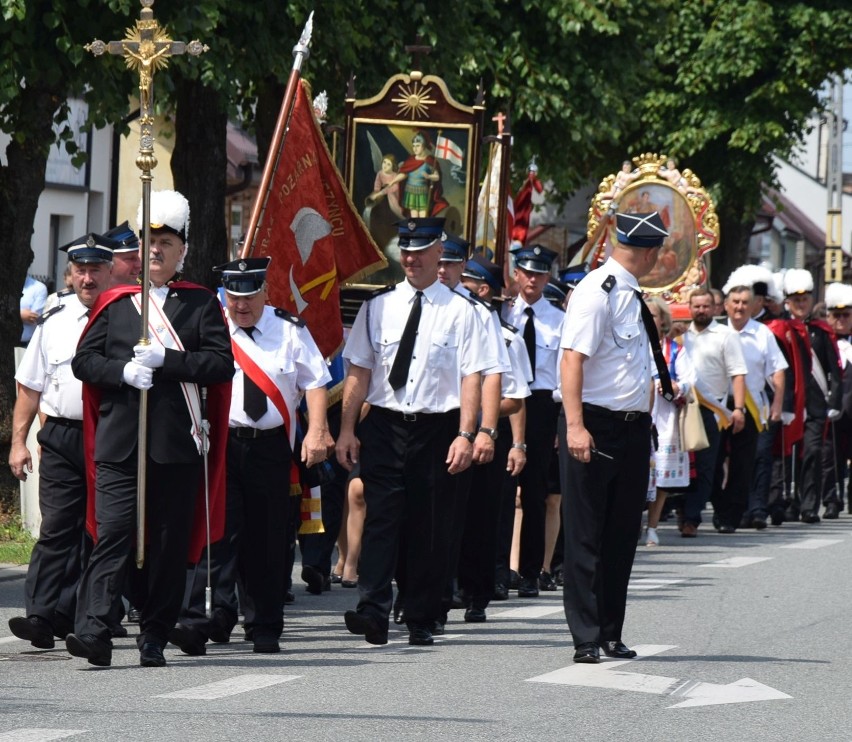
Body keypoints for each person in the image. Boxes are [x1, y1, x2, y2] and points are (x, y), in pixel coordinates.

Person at [66, 190, 234, 668]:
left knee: (165, 544)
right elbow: (85, 362)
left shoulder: (200, 305)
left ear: (183, 249)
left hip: (175, 447)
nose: (155, 249)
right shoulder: (117, 303)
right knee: (115, 533)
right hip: (122, 445)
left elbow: (221, 366)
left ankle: (155, 633)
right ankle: (93, 629)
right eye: (149, 240)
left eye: (166, 241)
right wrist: (121, 372)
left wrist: (169, 361)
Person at [336, 217, 491, 647]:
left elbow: (471, 377)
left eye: (421, 250)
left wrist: (466, 433)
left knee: (429, 524)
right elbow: (359, 372)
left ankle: (422, 613)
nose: (412, 258)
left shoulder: (463, 312)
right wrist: (347, 429)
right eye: (406, 250)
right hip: (385, 423)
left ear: (439, 252)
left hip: (437, 427)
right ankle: (373, 611)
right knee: (381, 518)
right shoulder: (378, 307)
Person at [169, 257, 332, 656]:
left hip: (271, 447)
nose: (241, 306)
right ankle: (210, 618)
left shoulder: (289, 330)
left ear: (265, 292)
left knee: (268, 537)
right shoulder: (211, 326)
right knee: (217, 534)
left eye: (249, 297)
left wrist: (317, 429)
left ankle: (263, 624)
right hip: (220, 442)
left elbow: (315, 381)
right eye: (234, 298)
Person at [560, 210, 671, 663]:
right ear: (647, 251)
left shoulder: (631, 294)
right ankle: (585, 636)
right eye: (658, 252)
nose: (658, 259)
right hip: (595, 423)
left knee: (622, 534)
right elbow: (571, 360)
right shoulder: (598, 292)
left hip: (631, 426)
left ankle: (610, 630)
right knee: (586, 533)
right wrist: (574, 426)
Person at [7, 233, 115, 648]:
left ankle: (86, 618)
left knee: (100, 531)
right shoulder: (53, 321)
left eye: (95, 270)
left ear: (110, 271)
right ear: (70, 274)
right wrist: (19, 442)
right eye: (80, 270)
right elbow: (29, 388)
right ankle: (40, 614)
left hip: (110, 435)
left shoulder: (129, 315)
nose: (87, 278)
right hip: (62, 435)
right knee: (56, 529)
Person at [502, 244, 564, 597]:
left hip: (542, 404)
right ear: (517, 274)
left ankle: (530, 571)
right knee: (502, 489)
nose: (532, 279)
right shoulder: (503, 314)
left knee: (536, 492)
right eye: (526, 272)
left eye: (539, 273)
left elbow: (564, 373)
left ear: (547, 277)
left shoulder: (559, 319)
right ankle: (500, 568)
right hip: (507, 398)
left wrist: (561, 421)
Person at [713, 283, 787, 532]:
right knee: (713, 461)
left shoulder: (762, 333)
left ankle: (735, 514)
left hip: (752, 406)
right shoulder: (716, 331)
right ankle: (720, 506)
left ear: (753, 305)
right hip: (718, 403)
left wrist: (777, 403)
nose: (740, 307)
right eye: (735, 302)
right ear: (726, 305)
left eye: (745, 302)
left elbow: (777, 370)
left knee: (747, 462)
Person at [680, 288, 747, 536]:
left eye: (706, 306)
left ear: (716, 308)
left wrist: (738, 408)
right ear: (689, 308)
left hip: (711, 410)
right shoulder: (680, 335)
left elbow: (738, 373)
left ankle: (692, 518)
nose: (701, 310)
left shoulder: (725, 335)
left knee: (707, 466)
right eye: (696, 306)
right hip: (680, 407)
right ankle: (680, 509)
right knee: (681, 463)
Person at [783, 269, 842, 523]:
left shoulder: (821, 331)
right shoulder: (782, 329)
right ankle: (789, 502)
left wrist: (834, 402)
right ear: (788, 301)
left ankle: (809, 505)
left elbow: (835, 371)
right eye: (795, 299)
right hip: (791, 403)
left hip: (816, 405)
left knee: (813, 453)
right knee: (789, 455)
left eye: (804, 299)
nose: (800, 303)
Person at [644, 296, 694, 546]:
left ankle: (652, 527)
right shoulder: (632, 344)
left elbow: (689, 379)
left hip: (664, 419)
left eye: (653, 314)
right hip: (637, 412)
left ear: (662, 319)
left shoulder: (674, 349)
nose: (649, 318)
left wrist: (677, 386)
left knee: (661, 476)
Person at [822, 282, 852, 517]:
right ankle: (831, 500)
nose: (841, 319)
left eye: (846, 314)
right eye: (836, 315)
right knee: (830, 458)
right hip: (830, 408)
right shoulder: (824, 341)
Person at [389, 132, 449, 217]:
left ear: (423, 146)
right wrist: (393, 181)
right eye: (414, 146)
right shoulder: (411, 160)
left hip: (422, 192)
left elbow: (437, 177)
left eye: (418, 146)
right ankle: (416, 230)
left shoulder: (429, 161)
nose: (415, 148)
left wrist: (429, 176)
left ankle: (422, 230)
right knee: (414, 216)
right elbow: (404, 174)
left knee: (423, 216)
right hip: (410, 191)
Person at [103, 221, 143, 286]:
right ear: (109, 263)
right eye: (131, 259)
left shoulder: (146, 293)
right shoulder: (93, 295)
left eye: (139, 258)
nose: (139, 265)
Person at [366, 154, 403, 219]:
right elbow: (377, 184)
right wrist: (376, 191)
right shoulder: (380, 173)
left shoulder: (395, 176)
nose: (385, 166)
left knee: (395, 206)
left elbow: (394, 188)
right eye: (384, 162)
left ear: (393, 166)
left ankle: (403, 217)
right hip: (384, 191)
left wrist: (379, 193)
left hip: (395, 193)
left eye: (388, 164)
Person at [20, 272, 48, 347]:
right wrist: (21, 314)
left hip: (25, 345)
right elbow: (26, 316)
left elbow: (33, 318)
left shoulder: (38, 287)